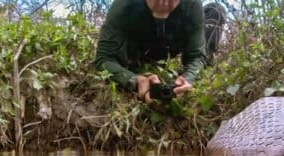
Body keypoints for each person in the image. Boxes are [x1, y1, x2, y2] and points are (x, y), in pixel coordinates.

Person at [94, 0, 226, 103]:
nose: (164, 2)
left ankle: (200, 68)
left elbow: (196, 56)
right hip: (138, 52)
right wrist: (134, 80)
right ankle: (134, 66)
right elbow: (104, 59)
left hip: (173, 45)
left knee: (216, 10)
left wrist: (189, 78)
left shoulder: (191, 4)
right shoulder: (124, 4)